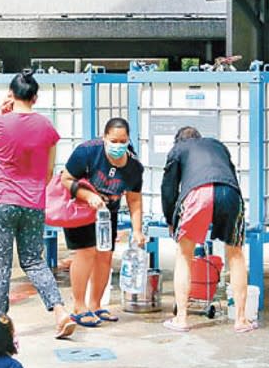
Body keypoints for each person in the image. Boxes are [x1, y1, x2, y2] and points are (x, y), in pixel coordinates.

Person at [0, 70, 76, 339]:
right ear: (35, 97)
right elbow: (47, 172)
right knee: (33, 260)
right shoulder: (46, 127)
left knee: (0, 264)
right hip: (33, 201)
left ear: (12, 94)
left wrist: (2, 112)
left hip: (1, 199)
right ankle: (59, 310)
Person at [161, 127, 254, 333]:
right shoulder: (217, 145)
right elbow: (231, 174)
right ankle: (241, 320)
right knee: (236, 254)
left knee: (184, 254)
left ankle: (182, 318)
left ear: (178, 141)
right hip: (229, 192)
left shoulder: (178, 150)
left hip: (197, 193)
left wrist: (171, 220)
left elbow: (168, 189)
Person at [60, 118, 145, 326]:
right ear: (104, 137)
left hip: (106, 214)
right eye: (113, 141)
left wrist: (137, 230)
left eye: (122, 141)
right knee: (86, 252)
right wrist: (87, 196)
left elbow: (134, 200)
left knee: (105, 256)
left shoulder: (134, 167)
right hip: (80, 209)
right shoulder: (87, 152)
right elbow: (66, 178)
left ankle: (95, 305)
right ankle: (79, 306)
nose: (117, 145)